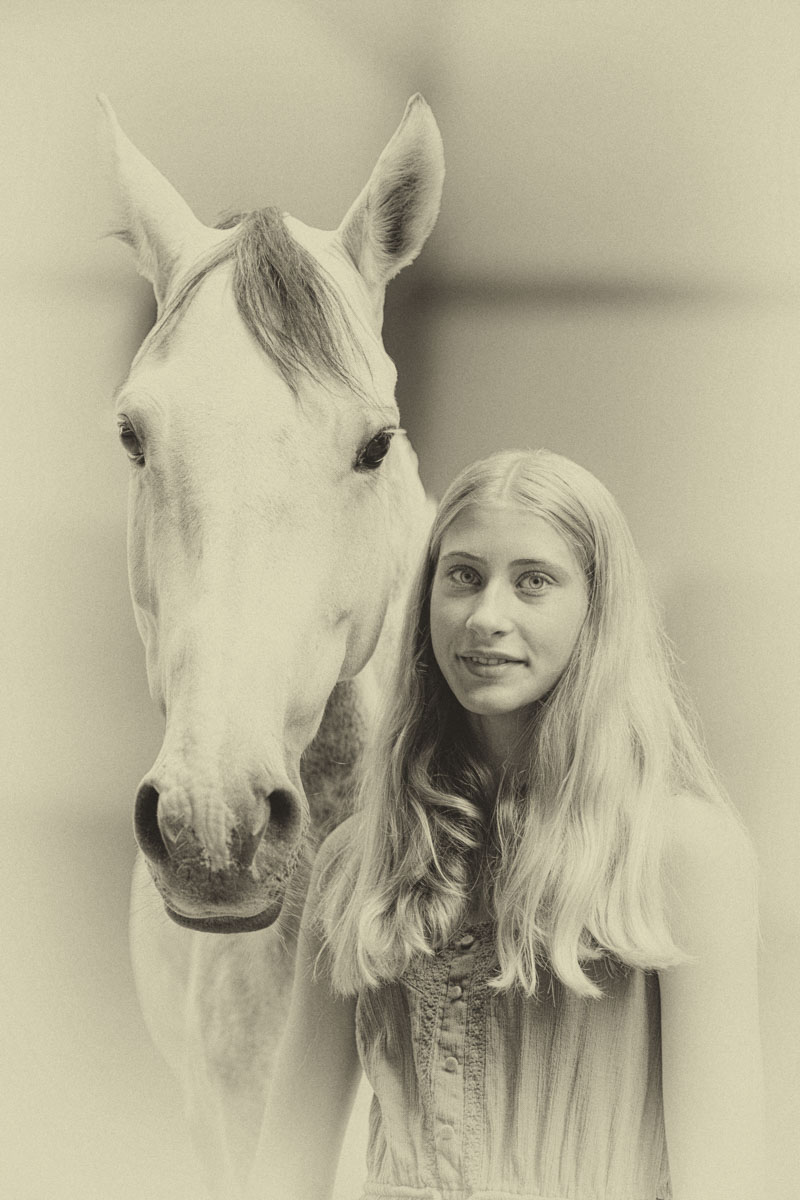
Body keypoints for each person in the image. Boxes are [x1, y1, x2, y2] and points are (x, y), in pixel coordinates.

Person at [248, 449, 764, 1200]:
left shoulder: (681, 854)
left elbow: (727, 1177)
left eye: (534, 582)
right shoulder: (354, 863)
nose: (487, 617)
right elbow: (284, 1169)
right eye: (462, 576)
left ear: (597, 609)